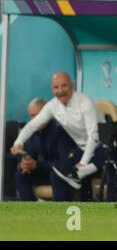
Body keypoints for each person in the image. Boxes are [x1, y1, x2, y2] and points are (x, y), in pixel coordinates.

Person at [10, 73, 105, 201]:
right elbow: (31, 126)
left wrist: (83, 163)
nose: (60, 91)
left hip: (94, 152)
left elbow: (93, 137)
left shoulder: (62, 128)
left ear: (72, 86)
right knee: (20, 174)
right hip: (62, 162)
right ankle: (30, 213)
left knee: (60, 174)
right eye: (56, 87)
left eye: (64, 86)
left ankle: (61, 215)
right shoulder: (46, 116)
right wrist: (19, 144)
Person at [14, 98, 59, 201]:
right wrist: (25, 164)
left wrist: (37, 165)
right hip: (46, 171)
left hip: (61, 174)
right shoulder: (33, 132)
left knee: (55, 176)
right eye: (31, 116)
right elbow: (30, 156)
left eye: (37, 115)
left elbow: (64, 163)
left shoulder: (59, 130)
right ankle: (30, 212)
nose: (34, 120)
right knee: (20, 174)